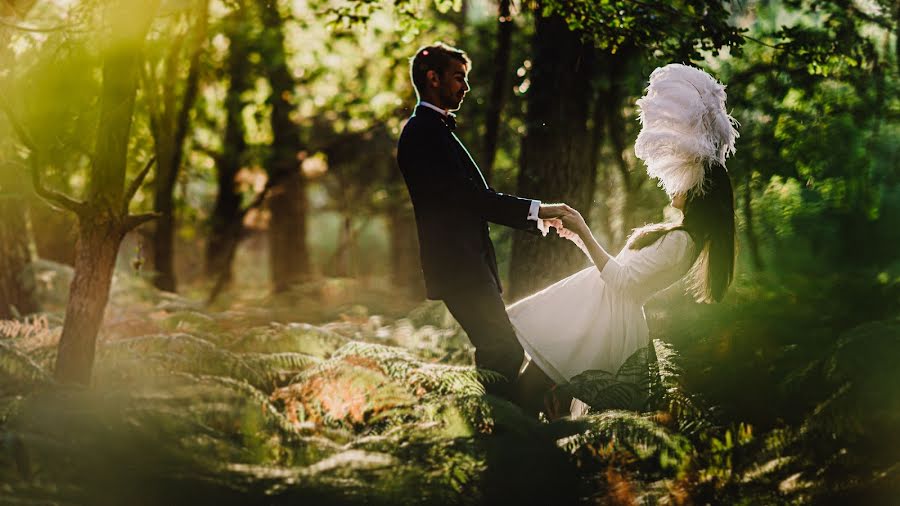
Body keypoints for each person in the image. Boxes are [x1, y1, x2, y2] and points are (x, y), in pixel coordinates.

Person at [509, 63, 740, 419]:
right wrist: (578, 238)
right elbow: (619, 273)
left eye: (684, 178)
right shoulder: (680, 238)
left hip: (601, 320)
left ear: (699, 191)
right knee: (535, 391)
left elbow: (623, 282)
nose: (674, 183)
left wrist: (584, 229)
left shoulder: (681, 243)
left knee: (529, 391)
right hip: (598, 312)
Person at [395, 42, 574, 403]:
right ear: (433, 79)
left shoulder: (436, 131)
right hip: (459, 268)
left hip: (469, 266)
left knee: (501, 351)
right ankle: (501, 436)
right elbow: (470, 199)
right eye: (459, 78)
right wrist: (539, 210)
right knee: (501, 351)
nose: (466, 87)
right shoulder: (421, 133)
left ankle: (506, 431)